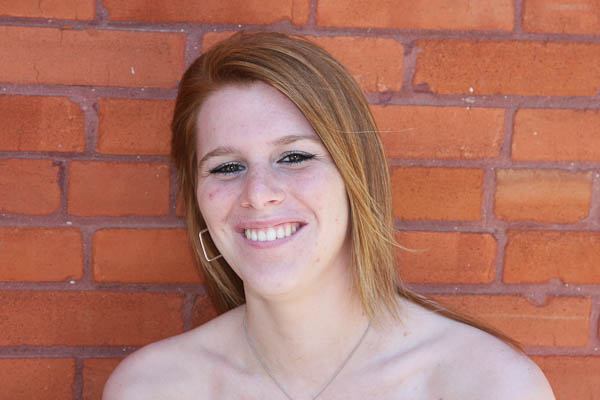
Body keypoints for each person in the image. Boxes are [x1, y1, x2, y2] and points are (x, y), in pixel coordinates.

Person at [103, 32, 555, 399]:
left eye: (294, 157)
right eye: (226, 167)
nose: (258, 195)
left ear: (356, 174)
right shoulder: (150, 388)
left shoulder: (488, 385)